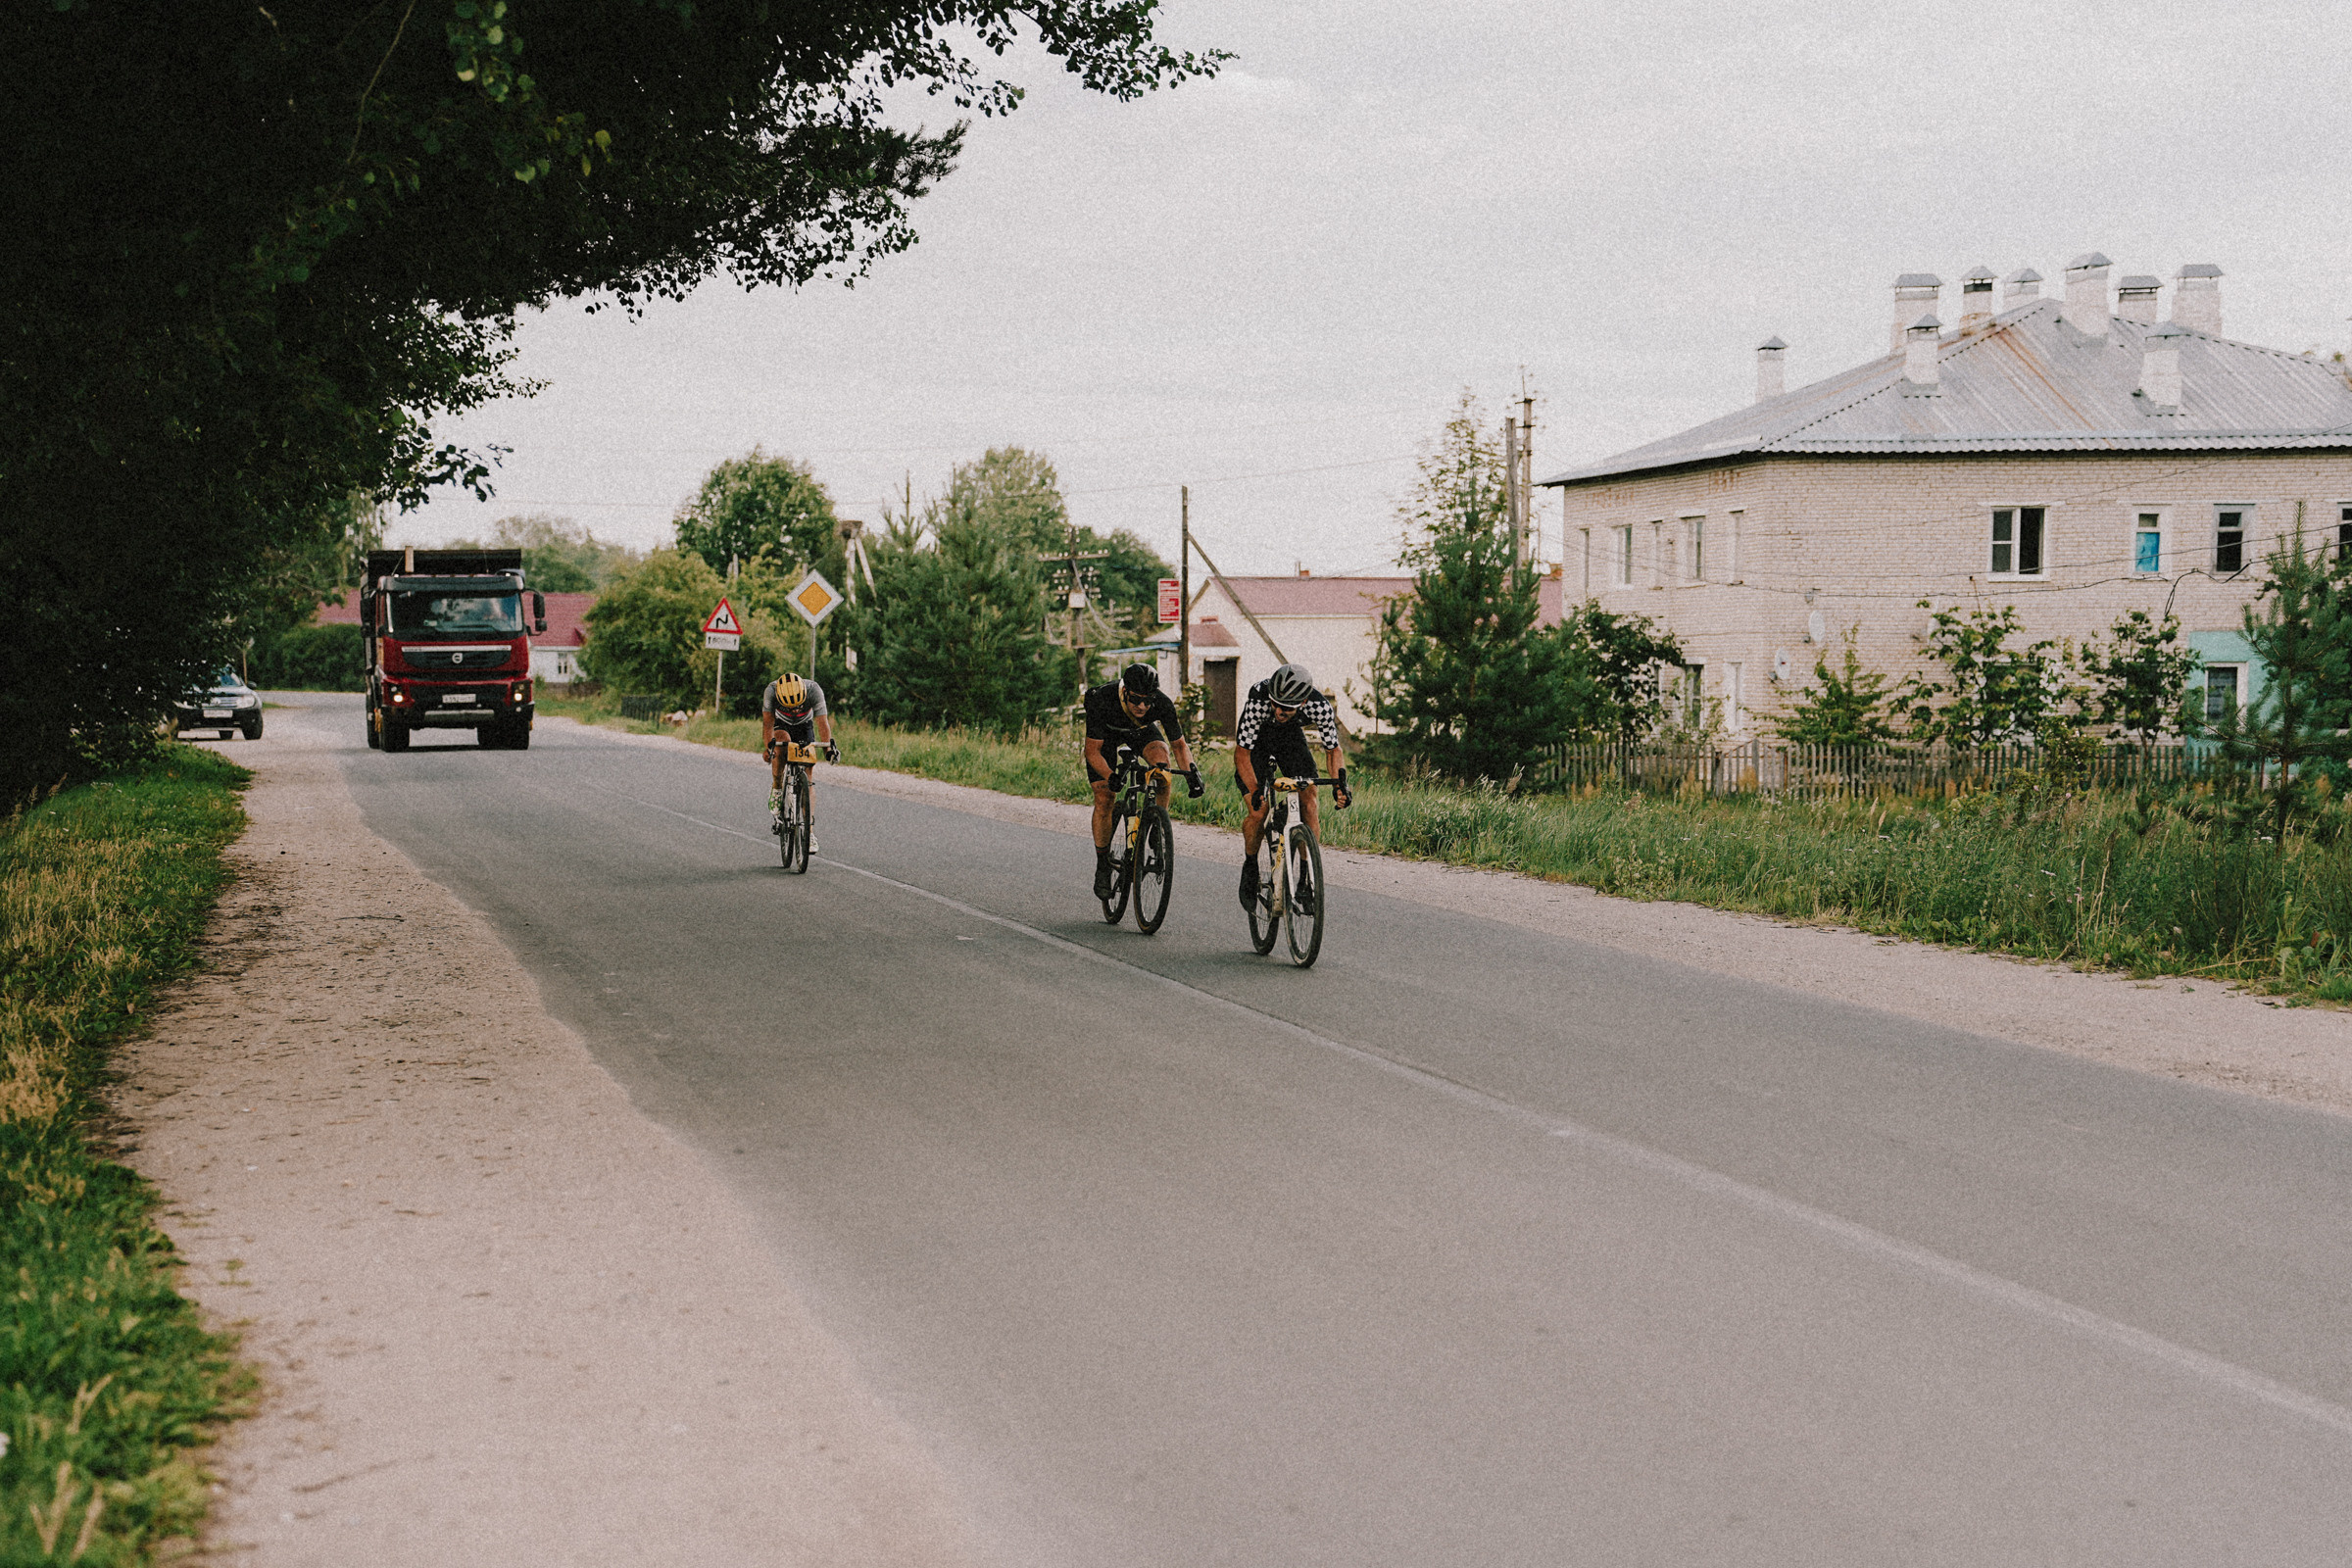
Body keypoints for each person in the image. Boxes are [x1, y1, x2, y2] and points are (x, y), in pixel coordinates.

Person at [1234, 662, 1350, 909]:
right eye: (1275, 703)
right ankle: (1251, 865)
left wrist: (1340, 785)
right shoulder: (1258, 700)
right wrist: (1255, 790)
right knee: (1259, 811)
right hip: (1258, 744)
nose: (1278, 710)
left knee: (1309, 802)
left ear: (1303, 702)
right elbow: (1242, 753)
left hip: (1290, 741)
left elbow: (1333, 751)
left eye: (1286, 707)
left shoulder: (1320, 706)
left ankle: (1307, 877)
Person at [1084, 662, 1202, 900]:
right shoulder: (1103, 699)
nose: (1142, 706)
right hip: (1106, 737)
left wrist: (1192, 773)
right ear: (1125, 691)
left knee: (1162, 767)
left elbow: (1179, 745)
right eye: (1136, 699)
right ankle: (1103, 864)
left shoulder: (1161, 703)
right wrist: (1111, 776)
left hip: (1140, 732)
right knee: (1105, 797)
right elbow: (1092, 752)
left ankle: (1157, 823)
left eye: (1147, 701)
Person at [761, 672, 838, 852]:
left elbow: (822, 724)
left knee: (808, 774)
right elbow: (767, 725)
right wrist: (768, 749)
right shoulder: (771, 692)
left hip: (805, 726)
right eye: (790, 707)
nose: (795, 710)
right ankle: (777, 788)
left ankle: (809, 833)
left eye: (798, 706)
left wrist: (828, 750)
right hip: (782, 725)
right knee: (781, 747)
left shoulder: (814, 690)